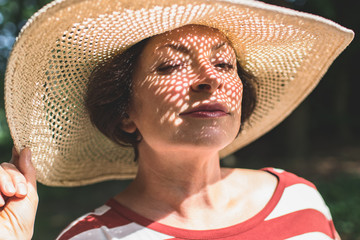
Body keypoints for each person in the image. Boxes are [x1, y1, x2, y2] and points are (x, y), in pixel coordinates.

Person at [0, 0, 353, 239]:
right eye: (170, 66)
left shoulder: (299, 199)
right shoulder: (94, 236)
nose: (209, 78)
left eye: (224, 64)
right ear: (125, 112)